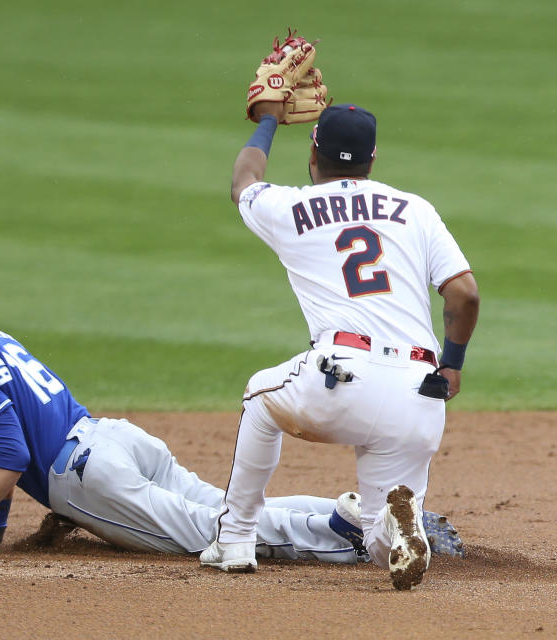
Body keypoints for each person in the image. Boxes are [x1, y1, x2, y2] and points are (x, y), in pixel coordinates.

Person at [0, 260, 464, 565]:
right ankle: (362, 511)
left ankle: (355, 537)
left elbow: (10, 454)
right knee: (223, 509)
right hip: (114, 440)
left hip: (88, 476)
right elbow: (2, 441)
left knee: (216, 534)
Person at [199, 102, 480, 590]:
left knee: (260, 398)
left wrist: (267, 119)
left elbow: (242, 182)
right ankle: (399, 528)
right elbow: (464, 293)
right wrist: (452, 366)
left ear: (314, 153)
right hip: (419, 391)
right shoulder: (415, 209)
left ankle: (236, 538)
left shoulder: (289, 207)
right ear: (373, 159)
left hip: (341, 380)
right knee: (375, 540)